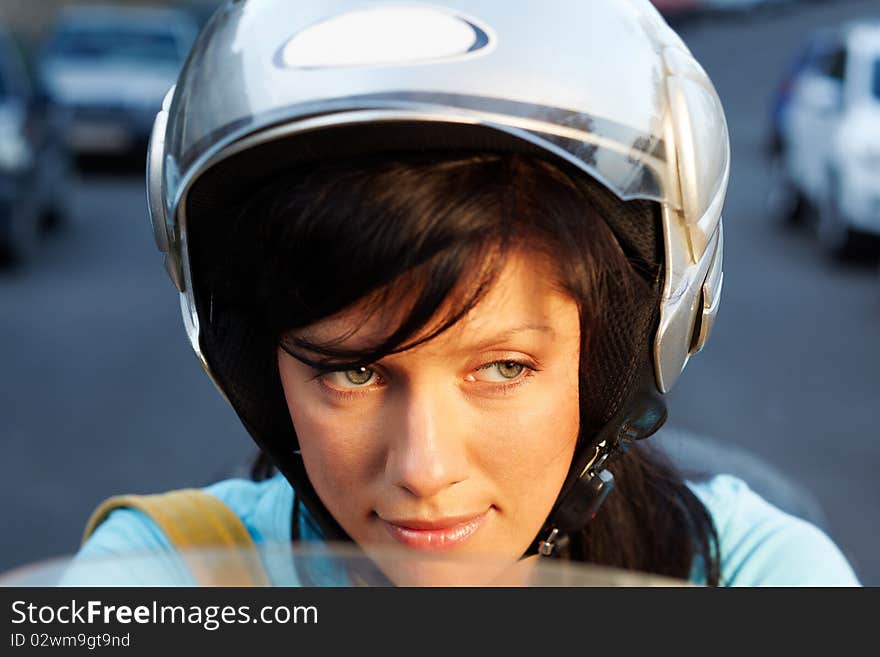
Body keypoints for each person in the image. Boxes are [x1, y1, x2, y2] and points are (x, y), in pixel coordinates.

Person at [76, 0, 858, 586]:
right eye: (353, 371)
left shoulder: (751, 576)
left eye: (504, 367)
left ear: (616, 360)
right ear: (256, 369)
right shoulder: (171, 572)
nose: (424, 468)